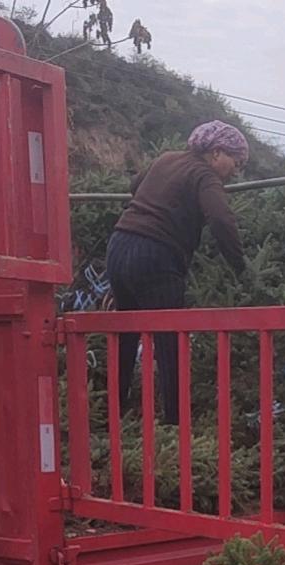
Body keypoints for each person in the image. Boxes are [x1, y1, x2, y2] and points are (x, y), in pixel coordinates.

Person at [106, 120, 248, 423]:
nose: (236, 171)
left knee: (126, 334)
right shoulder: (204, 174)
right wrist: (241, 268)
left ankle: (112, 415)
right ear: (217, 153)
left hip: (119, 246)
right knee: (170, 341)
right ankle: (175, 424)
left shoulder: (168, 158)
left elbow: (135, 186)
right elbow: (222, 220)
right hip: (156, 256)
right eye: (236, 162)